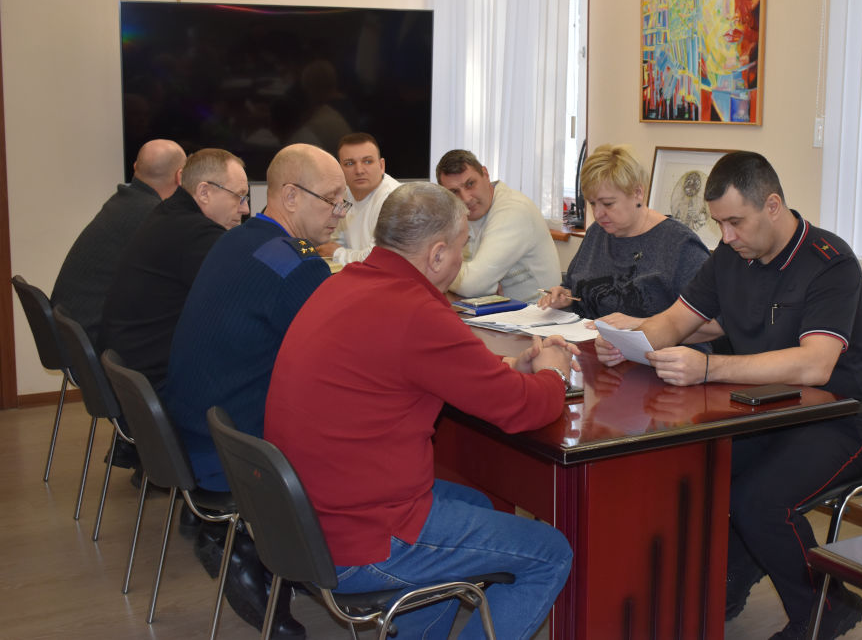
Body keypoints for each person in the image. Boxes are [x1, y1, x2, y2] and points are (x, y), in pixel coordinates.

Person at [265, 182, 575, 638]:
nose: (461, 261)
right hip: (359, 538)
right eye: (462, 249)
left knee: (476, 502)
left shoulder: (344, 285)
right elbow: (520, 410)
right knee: (550, 553)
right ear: (436, 254)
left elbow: (429, 368)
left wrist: (512, 368)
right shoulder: (416, 310)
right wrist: (554, 375)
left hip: (301, 521)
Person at [596, 151, 862, 639]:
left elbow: (815, 365)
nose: (725, 236)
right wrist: (629, 341)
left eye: (735, 222)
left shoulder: (830, 263)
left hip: (837, 417)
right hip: (763, 412)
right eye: (719, 224)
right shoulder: (732, 255)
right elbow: (677, 321)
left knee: (757, 502)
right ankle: (732, 574)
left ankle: (828, 607)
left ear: (772, 206)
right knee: (696, 471)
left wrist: (709, 368)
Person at [162, 143, 344, 639]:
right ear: (291, 196)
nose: (339, 212)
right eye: (332, 199)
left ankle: (269, 551)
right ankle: (282, 552)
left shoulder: (239, 240)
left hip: (195, 429)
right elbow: (342, 359)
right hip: (232, 453)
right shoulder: (297, 264)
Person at [99, 148, 249, 391]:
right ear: (204, 192)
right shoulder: (196, 233)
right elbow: (246, 295)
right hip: (155, 382)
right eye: (239, 196)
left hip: (132, 371)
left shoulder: (169, 213)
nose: (245, 209)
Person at [538, 144, 709, 327]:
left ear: (638, 193)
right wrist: (566, 297)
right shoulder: (597, 232)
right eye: (592, 203)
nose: (598, 214)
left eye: (608, 204)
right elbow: (574, 287)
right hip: (586, 339)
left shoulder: (681, 245)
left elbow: (713, 325)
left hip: (651, 345)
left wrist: (641, 324)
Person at [51, 139, 186, 345]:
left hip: (72, 331)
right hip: (93, 339)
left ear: (135, 167)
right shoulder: (153, 216)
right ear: (180, 176)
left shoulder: (123, 200)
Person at [435, 149, 561, 302]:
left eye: (470, 184)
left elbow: (472, 285)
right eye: (454, 192)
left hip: (537, 313)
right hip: (491, 311)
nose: (466, 199)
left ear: (485, 174)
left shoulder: (514, 209)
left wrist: (439, 276)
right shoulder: (456, 213)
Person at [315, 132, 401, 265]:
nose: (359, 170)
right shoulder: (342, 194)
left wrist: (337, 254)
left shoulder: (395, 199)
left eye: (367, 161)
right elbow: (333, 241)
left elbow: (379, 258)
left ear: (381, 166)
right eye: (349, 163)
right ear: (339, 169)